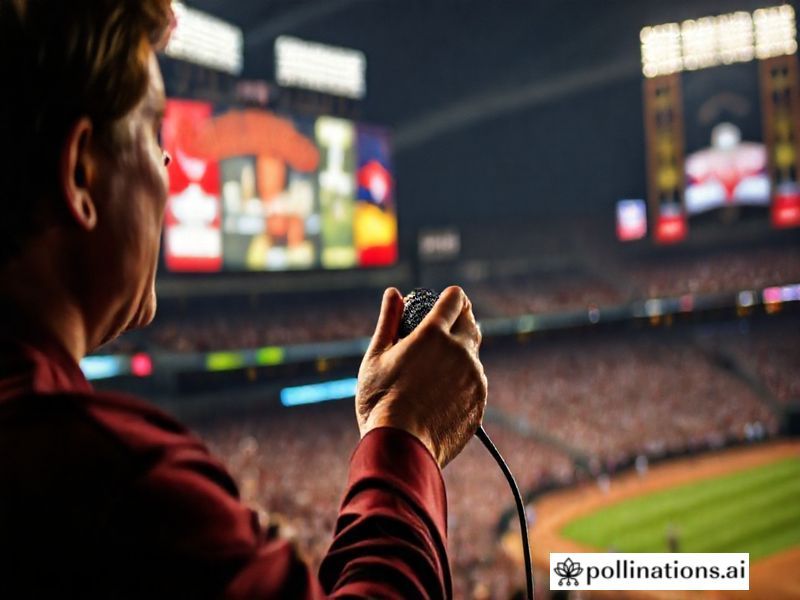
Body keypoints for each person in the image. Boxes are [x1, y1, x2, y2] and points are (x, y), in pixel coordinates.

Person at [0, 1, 488, 598]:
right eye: (153, 131)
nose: (168, 163)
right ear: (80, 173)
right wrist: (405, 432)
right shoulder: (112, 486)